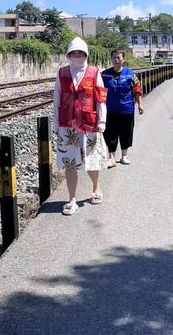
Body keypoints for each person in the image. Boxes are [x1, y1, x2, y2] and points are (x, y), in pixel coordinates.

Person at [53, 37, 108, 216]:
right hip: (67, 125)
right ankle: (71, 199)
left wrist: (102, 120)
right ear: (69, 54)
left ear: (86, 54)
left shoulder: (94, 72)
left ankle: (96, 187)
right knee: (70, 163)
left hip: (89, 124)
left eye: (80, 52)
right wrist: (56, 124)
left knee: (91, 159)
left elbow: (101, 99)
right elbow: (57, 99)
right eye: (73, 53)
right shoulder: (62, 73)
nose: (77, 56)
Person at [102, 49, 143, 168]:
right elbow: (99, 91)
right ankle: (112, 158)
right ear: (111, 59)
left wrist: (140, 104)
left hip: (126, 109)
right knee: (110, 134)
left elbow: (137, 89)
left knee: (126, 133)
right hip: (110, 110)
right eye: (114, 57)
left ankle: (124, 155)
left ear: (123, 59)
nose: (116, 60)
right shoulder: (104, 74)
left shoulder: (130, 74)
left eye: (118, 57)